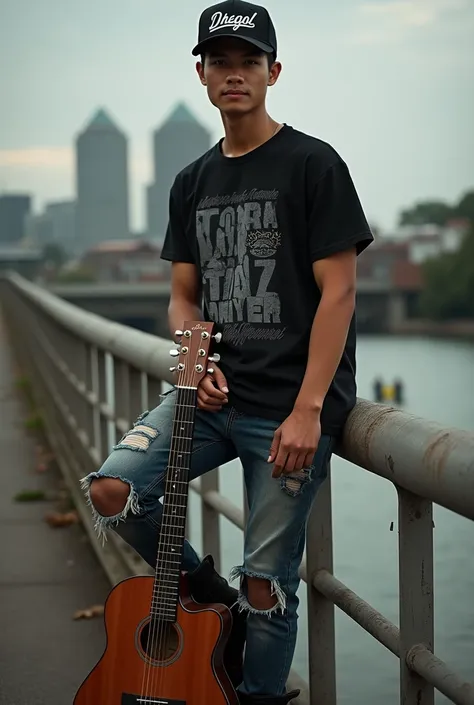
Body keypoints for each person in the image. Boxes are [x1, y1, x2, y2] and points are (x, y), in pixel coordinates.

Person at [80, 1, 374, 702]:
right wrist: (192, 356)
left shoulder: (314, 164)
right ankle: (206, 590)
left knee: (268, 582)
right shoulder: (192, 181)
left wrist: (309, 411)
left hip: (288, 411)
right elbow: (183, 295)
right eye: (221, 61)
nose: (234, 74)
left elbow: (339, 294)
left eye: (249, 62)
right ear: (202, 74)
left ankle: (256, 695)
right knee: (112, 488)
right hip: (209, 398)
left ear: (273, 72)